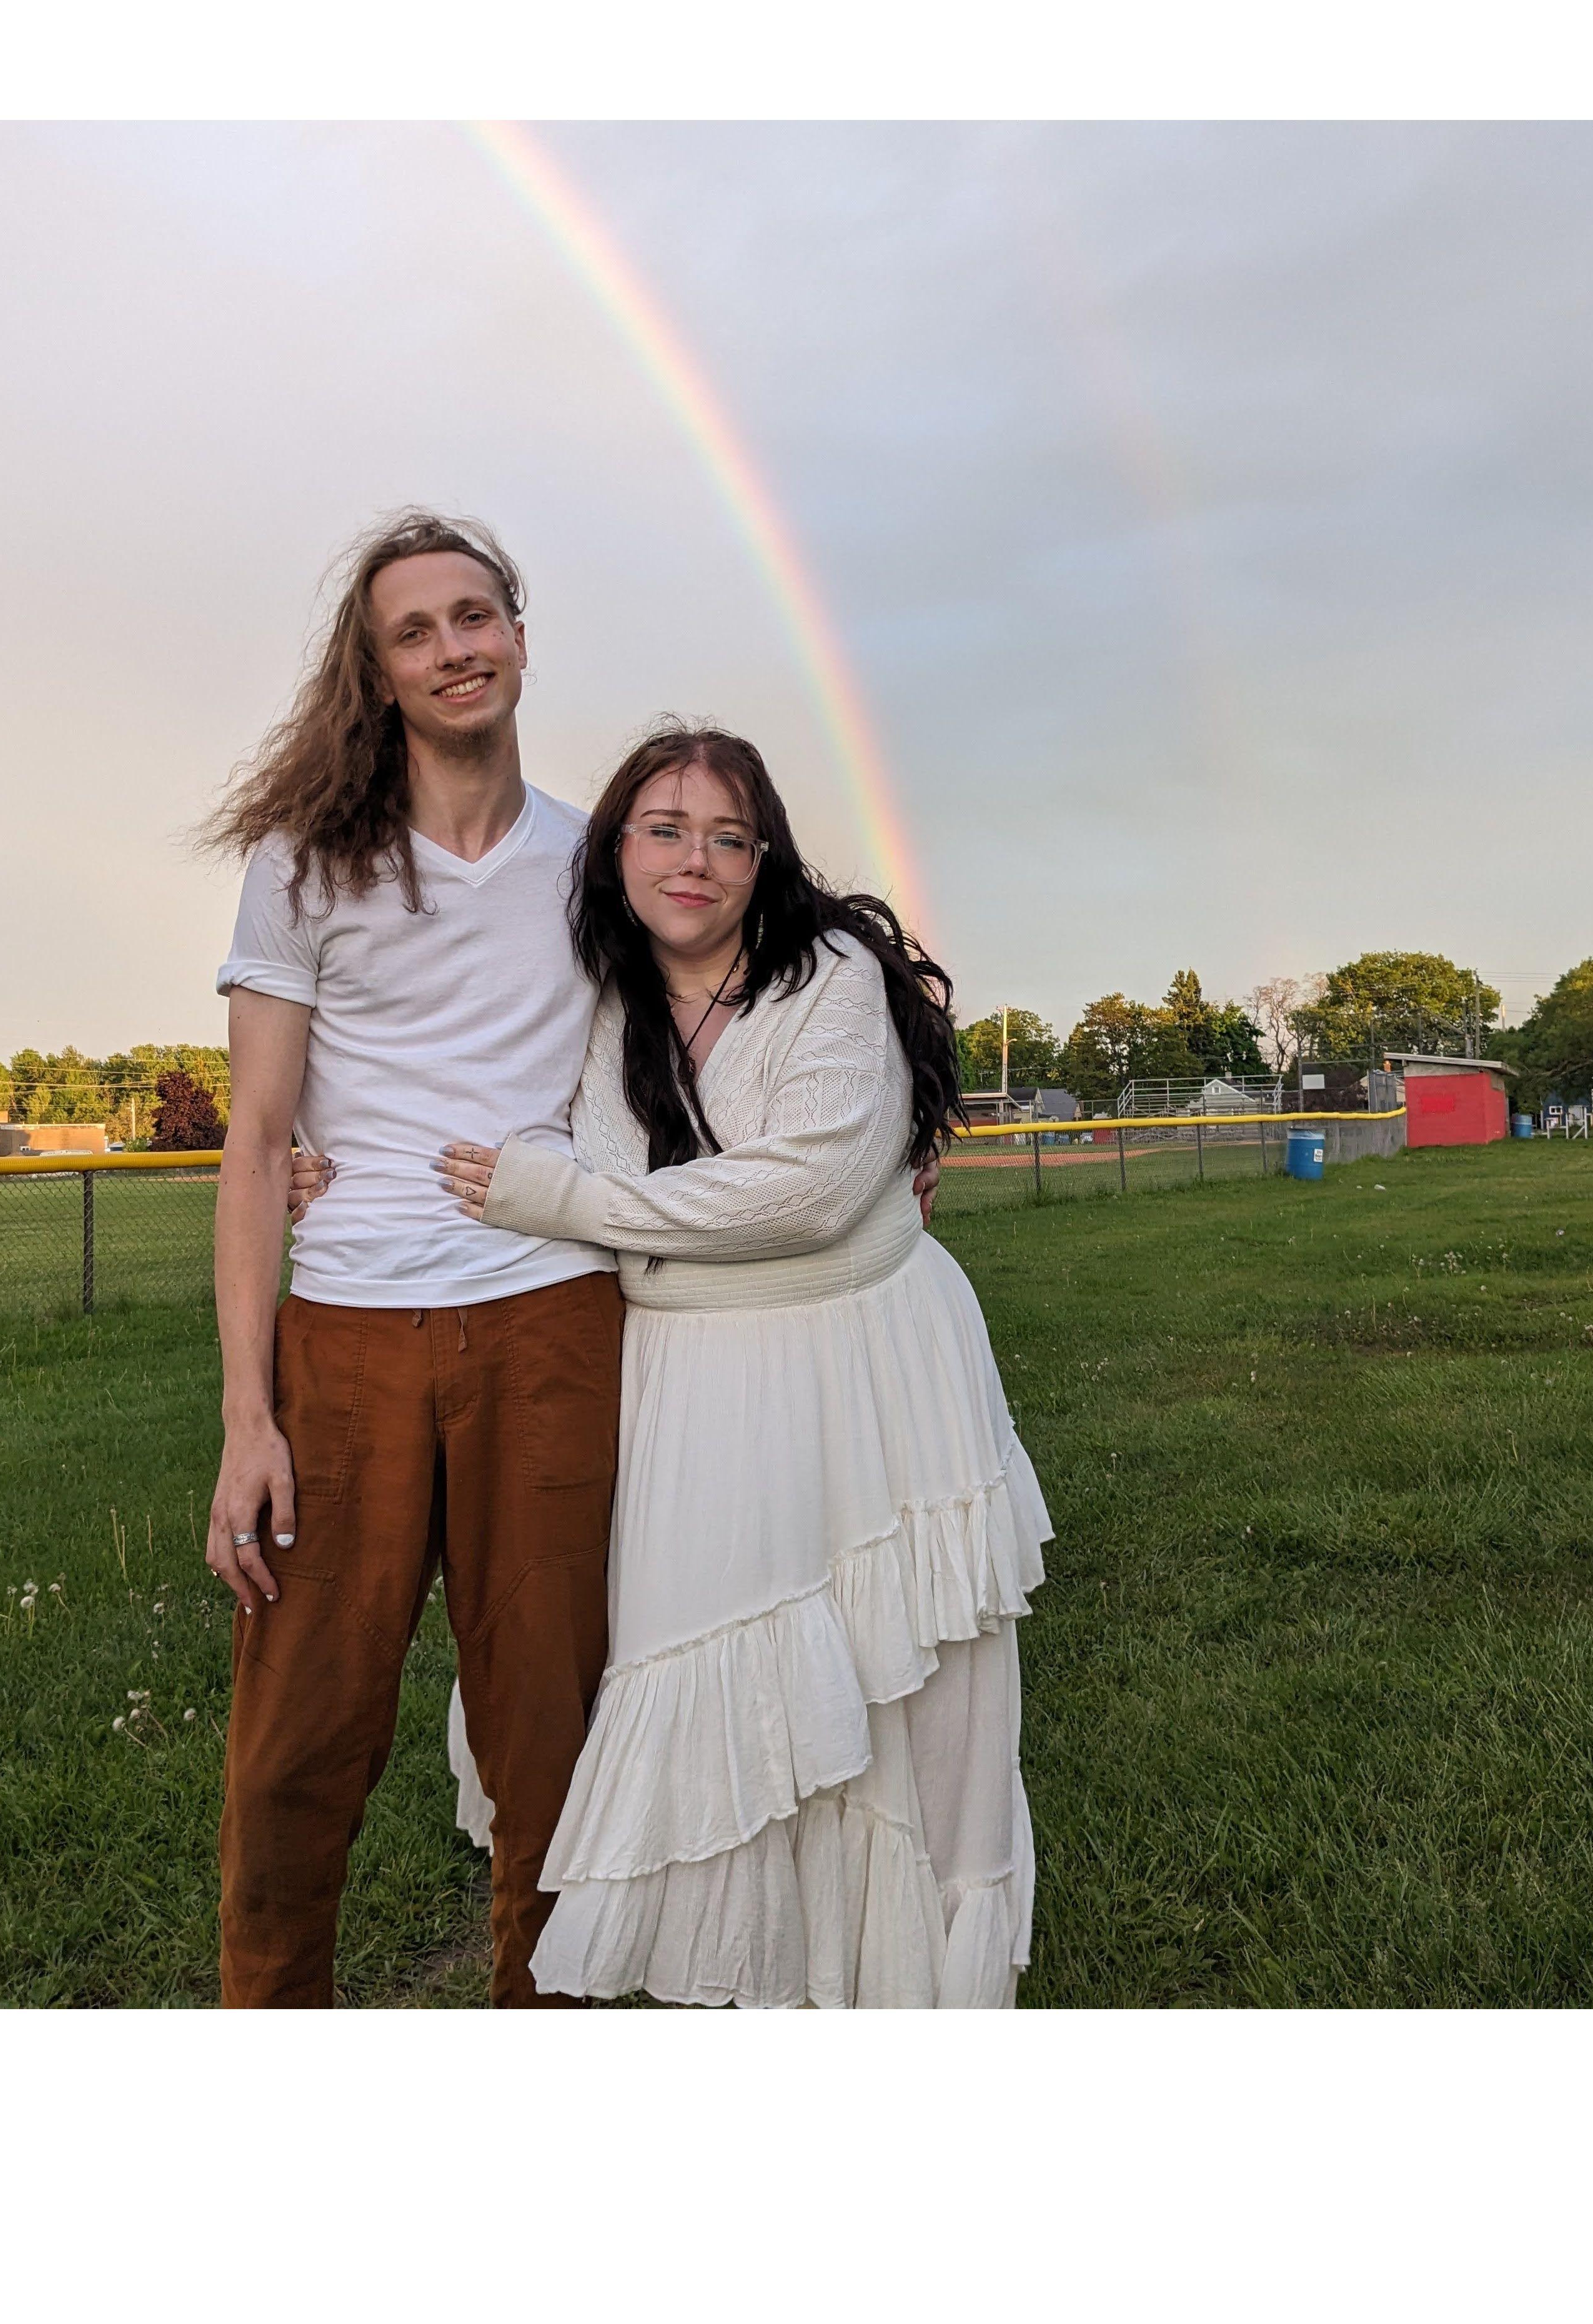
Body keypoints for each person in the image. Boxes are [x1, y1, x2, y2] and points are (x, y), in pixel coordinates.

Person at [429, 727, 1052, 2007]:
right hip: (692, 1385)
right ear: (615, 849)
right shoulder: (589, 994)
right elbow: (466, 1115)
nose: (695, 860)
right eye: (664, 828)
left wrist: (576, 1202)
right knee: (715, 1671)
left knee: (909, 1692)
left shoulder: (827, 976)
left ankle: (916, 1978)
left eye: (728, 835)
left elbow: (813, 1192)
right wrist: (331, 1159)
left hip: (870, 1364)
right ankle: (743, 1977)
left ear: (766, 858)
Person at [201, 509, 627, 2009]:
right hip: (354, 1337)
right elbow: (258, 1144)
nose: (455, 649)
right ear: (377, 674)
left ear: (519, 633)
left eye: (476, 616)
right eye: (416, 631)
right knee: (303, 1736)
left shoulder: (598, 860)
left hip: (552, 1322)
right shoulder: (304, 866)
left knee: (552, 1731)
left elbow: (711, 1026)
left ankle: (544, 2006)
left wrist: (895, 1098)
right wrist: (251, 1421)